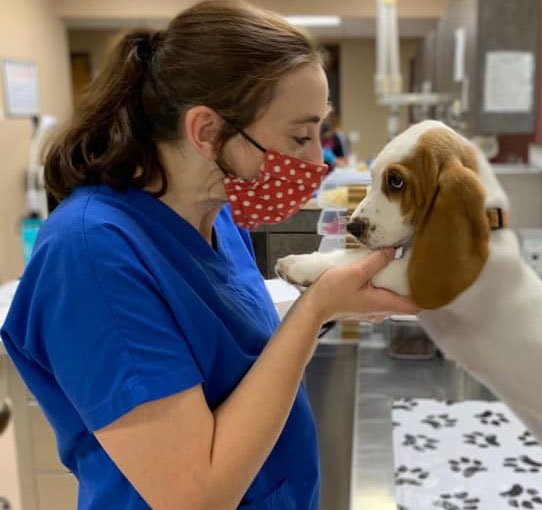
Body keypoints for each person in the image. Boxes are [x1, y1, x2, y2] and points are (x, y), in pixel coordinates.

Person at [0, 2, 418, 509]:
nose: (317, 162)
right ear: (206, 131)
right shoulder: (90, 255)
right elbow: (195, 496)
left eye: (320, 135)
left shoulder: (217, 216)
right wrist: (314, 312)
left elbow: (231, 353)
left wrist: (334, 302)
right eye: (300, 136)